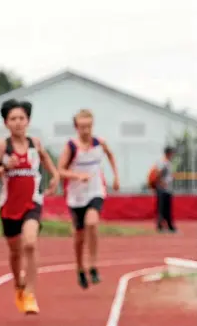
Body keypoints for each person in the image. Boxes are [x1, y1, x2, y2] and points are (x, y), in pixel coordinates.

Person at [0, 99, 60, 315]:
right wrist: (4, 167)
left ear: (28, 121)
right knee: (15, 252)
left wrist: (55, 176)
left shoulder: (35, 144)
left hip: (32, 204)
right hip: (9, 207)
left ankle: (30, 293)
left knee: (30, 243)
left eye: (22, 118)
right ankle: (19, 283)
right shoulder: (2, 146)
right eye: (13, 119)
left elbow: (45, 160)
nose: (18, 123)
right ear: (6, 123)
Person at [57, 109, 120, 289]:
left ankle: (93, 265)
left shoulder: (99, 143)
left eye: (89, 126)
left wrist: (116, 177)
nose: (86, 130)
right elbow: (60, 170)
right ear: (76, 127)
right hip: (76, 196)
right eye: (82, 127)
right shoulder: (71, 146)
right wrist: (76, 176)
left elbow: (111, 155)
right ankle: (80, 268)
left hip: (95, 191)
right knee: (79, 236)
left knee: (92, 223)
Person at [152, 146, 177, 233]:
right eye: (172, 153)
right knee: (162, 208)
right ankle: (160, 226)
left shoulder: (168, 163)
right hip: (163, 189)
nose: (173, 155)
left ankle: (169, 225)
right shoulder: (163, 162)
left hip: (167, 189)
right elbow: (158, 173)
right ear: (168, 153)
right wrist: (161, 182)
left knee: (167, 208)